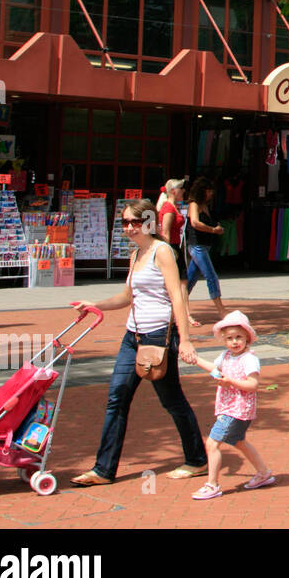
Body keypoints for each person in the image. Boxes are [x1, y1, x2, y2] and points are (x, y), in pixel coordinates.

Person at [71, 199, 206, 486]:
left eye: (135, 221)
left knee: (172, 401)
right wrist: (95, 305)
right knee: (116, 399)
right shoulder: (136, 255)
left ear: (149, 222)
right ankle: (103, 470)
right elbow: (127, 297)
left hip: (157, 337)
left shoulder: (162, 252)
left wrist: (186, 341)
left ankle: (197, 460)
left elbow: (177, 297)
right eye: (124, 222)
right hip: (132, 337)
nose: (129, 227)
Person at [188, 311, 275, 499]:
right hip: (228, 407)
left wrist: (231, 382)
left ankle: (212, 484)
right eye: (229, 338)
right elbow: (214, 369)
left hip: (238, 409)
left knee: (212, 444)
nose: (234, 342)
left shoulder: (249, 359)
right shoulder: (226, 356)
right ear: (223, 339)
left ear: (247, 338)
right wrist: (195, 359)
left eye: (238, 337)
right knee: (238, 441)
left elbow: (253, 385)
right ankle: (263, 472)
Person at [185, 179, 227, 321]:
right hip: (197, 245)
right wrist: (213, 230)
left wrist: (217, 227)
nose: (211, 194)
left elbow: (208, 222)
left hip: (204, 245)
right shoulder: (194, 204)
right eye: (208, 191)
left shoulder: (204, 205)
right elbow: (195, 223)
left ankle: (174, 306)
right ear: (202, 191)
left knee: (190, 279)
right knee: (211, 276)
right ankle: (221, 310)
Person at [156, 179, 196, 327]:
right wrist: (167, 253)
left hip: (174, 247)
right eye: (181, 189)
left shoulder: (171, 206)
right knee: (179, 283)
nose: (183, 191)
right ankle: (183, 314)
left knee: (182, 282)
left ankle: (184, 313)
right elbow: (165, 231)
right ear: (173, 191)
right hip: (171, 247)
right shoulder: (168, 208)